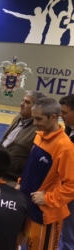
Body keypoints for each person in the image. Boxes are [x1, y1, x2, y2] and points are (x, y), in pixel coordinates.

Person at [19, 97, 74, 249]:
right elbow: (31, 167)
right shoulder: (39, 136)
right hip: (28, 206)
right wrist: (21, 184)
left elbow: (72, 186)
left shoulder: (65, 147)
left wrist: (49, 199)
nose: (35, 123)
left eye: (39, 119)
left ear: (53, 117)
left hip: (45, 214)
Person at [0, 90, 46, 187]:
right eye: (23, 101)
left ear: (37, 107)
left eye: (27, 102)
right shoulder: (17, 118)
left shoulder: (39, 129)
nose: (22, 104)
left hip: (14, 178)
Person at [57, 94, 74, 250]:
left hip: (72, 190)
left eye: (64, 112)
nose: (61, 116)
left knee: (69, 233)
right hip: (65, 188)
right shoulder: (68, 130)